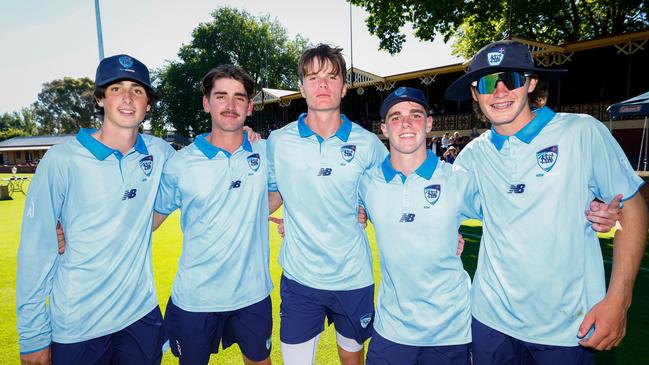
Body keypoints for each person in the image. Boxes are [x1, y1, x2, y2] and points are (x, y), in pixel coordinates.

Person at [445, 39, 647, 364]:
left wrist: (619, 300)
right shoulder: (472, 156)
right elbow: (439, 211)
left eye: (509, 79)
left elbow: (632, 207)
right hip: (489, 321)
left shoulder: (580, 133)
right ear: (474, 93)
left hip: (567, 328)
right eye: (486, 83)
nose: (499, 92)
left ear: (530, 82)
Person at [17, 54, 175, 365]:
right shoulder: (61, 161)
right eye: (116, 89)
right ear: (100, 99)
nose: (128, 98)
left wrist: (248, 137)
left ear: (148, 104)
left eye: (137, 90)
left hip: (140, 316)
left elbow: (205, 166)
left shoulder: (161, 153)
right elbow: (35, 250)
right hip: (79, 325)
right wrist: (33, 335)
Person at [266, 44, 387, 365]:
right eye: (313, 77)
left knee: (352, 361)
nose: (322, 85)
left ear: (344, 87)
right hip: (300, 279)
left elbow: (387, 204)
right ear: (301, 86)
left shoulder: (368, 144)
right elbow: (271, 194)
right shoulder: (278, 142)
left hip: (352, 277)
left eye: (332, 77)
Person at [152, 65, 273, 365]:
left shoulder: (267, 152)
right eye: (221, 96)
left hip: (253, 294)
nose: (230, 105)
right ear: (207, 103)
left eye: (239, 97)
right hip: (196, 298)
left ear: (250, 106)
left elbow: (285, 190)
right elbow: (149, 219)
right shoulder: (181, 163)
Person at [360, 87, 478, 365]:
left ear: (428, 123)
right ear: (384, 128)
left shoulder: (458, 179)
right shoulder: (366, 183)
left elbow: (508, 218)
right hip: (392, 328)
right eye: (396, 117)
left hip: (450, 330)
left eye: (415, 115)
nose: (406, 123)